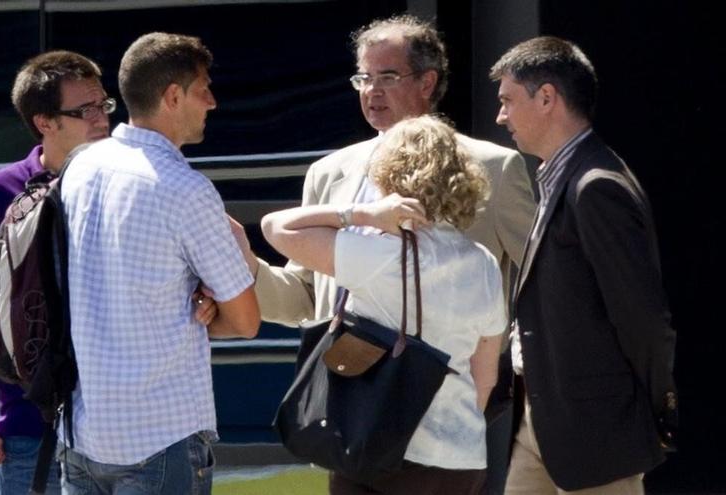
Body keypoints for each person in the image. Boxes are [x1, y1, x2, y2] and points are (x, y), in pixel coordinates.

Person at [230, 13, 536, 494]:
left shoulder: (493, 168)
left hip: (446, 415)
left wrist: (521, 368)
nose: (371, 90)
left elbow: (544, 282)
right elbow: (306, 297)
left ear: (427, 81)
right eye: (363, 78)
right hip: (354, 411)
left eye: (387, 77)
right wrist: (242, 267)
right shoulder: (330, 172)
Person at [56, 32, 260, 494]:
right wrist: (202, 312)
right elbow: (246, 321)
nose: (213, 101)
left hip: (83, 437)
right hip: (159, 441)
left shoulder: (79, 168)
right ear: (172, 96)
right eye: (203, 88)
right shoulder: (185, 189)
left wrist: (184, 308)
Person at [262, 115, 506, 494]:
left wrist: (357, 213)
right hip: (460, 459)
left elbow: (275, 227)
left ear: (389, 177)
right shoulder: (483, 262)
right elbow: (485, 376)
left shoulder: (379, 254)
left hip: (374, 449)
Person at [490, 36, 678, 494]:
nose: (501, 116)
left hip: (597, 433)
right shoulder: (560, 176)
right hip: (539, 423)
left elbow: (643, 319)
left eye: (508, 101)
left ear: (548, 98)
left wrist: (654, 407)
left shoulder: (596, 186)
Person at [0, 50, 113, 494]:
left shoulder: (130, 184)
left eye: (103, 105)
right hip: (30, 437)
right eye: (84, 110)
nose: (101, 119)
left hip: (127, 436)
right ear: (44, 122)